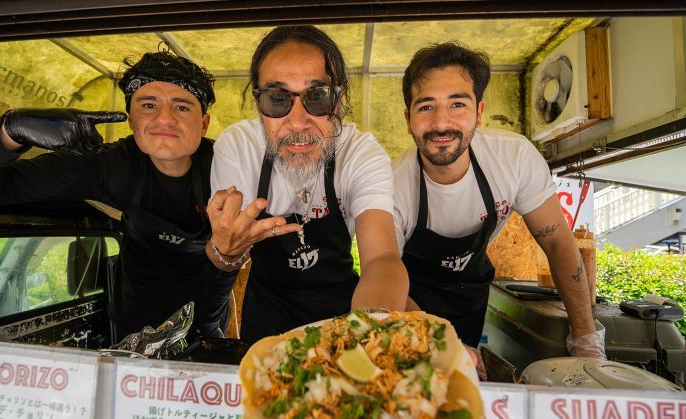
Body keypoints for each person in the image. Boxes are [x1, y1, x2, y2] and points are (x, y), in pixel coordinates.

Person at [0, 51, 238, 341]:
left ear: (205, 123)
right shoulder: (111, 166)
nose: (165, 119)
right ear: (131, 120)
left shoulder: (231, 168)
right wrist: (11, 129)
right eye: (148, 105)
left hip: (207, 323)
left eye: (182, 107)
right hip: (133, 329)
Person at [393, 42, 605, 360]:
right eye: (426, 107)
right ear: (408, 119)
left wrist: (586, 338)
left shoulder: (515, 159)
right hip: (408, 304)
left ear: (479, 113)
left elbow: (559, 243)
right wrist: (439, 344)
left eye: (457, 105)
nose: (440, 122)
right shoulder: (392, 185)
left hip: (469, 299)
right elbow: (382, 277)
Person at [206, 25, 408, 343]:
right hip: (267, 311)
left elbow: (382, 258)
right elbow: (223, 254)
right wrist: (226, 252)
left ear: (339, 101)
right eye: (277, 99)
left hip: (344, 311)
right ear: (258, 102)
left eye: (318, 96)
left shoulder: (361, 153)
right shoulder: (238, 148)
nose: (298, 122)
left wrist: (369, 333)